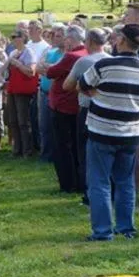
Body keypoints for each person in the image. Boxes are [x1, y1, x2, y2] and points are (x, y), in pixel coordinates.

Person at [79, 24, 139, 241]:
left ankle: (102, 231)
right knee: (125, 182)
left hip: (102, 130)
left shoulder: (105, 65)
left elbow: (83, 84)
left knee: (99, 182)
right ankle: (125, 228)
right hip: (130, 133)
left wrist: (97, 93)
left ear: (121, 40)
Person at [63, 28, 111, 205]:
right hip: (110, 109)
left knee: (86, 152)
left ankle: (89, 193)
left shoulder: (85, 61)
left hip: (88, 109)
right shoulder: (112, 60)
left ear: (89, 42)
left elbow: (67, 85)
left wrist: (80, 86)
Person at [46, 25, 88, 192]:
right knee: (76, 147)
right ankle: (78, 181)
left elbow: (51, 72)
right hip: (76, 106)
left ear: (70, 40)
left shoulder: (72, 56)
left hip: (64, 106)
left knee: (63, 147)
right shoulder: (86, 53)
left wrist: (46, 67)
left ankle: (68, 183)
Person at [5, 29, 38, 157]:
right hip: (13, 89)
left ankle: (27, 150)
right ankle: (16, 149)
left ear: (23, 38)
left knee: (23, 121)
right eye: (12, 37)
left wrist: (17, 64)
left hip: (23, 91)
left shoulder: (29, 52)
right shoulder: (14, 52)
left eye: (16, 37)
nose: (13, 39)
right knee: (13, 120)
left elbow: (31, 72)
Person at [36, 25, 66, 162]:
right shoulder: (50, 52)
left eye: (58, 36)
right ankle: (45, 155)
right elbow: (38, 68)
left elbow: (58, 73)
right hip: (43, 93)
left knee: (57, 127)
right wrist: (51, 69)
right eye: (53, 35)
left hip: (58, 96)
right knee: (44, 126)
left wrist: (49, 69)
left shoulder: (67, 55)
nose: (54, 38)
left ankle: (57, 155)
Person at [26, 19, 50, 151]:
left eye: (32, 29)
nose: (29, 31)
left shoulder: (45, 47)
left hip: (38, 83)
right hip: (26, 82)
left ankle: (39, 144)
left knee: (37, 116)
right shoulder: (28, 44)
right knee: (29, 116)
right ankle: (32, 143)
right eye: (28, 28)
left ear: (39, 31)